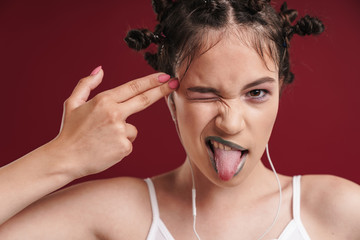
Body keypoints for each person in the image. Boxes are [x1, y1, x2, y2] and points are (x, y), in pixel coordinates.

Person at [0, 0, 359, 239]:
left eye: (256, 93)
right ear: (170, 100)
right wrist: (63, 157)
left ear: (279, 92)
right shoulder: (122, 213)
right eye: (205, 94)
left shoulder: (336, 209)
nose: (230, 124)